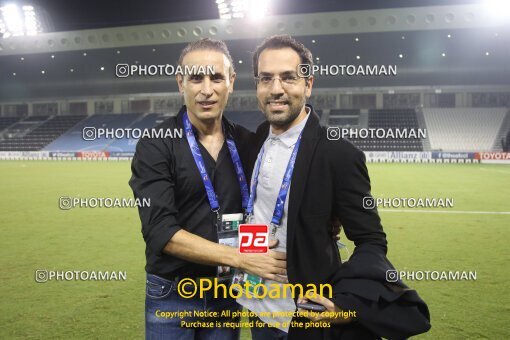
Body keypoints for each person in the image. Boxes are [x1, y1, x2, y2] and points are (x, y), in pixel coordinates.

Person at [238, 35, 430, 340]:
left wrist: (346, 306)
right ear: (257, 86)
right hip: (255, 301)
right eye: (266, 79)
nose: (276, 89)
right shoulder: (258, 138)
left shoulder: (339, 153)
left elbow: (371, 241)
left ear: (308, 84)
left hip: (303, 318)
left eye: (288, 77)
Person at [129, 38, 287, 340]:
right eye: (195, 78)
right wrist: (240, 258)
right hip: (174, 293)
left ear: (231, 81)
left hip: (226, 292)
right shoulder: (155, 144)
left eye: (216, 77)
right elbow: (161, 232)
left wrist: (331, 216)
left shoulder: (247, 142)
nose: (206, 89)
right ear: (180, 83)